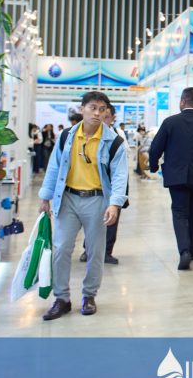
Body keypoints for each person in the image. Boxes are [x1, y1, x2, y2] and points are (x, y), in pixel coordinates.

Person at [38, 91, 128, 320]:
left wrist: (115, 204)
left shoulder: (114, 142)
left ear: (107, 113)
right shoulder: (66, 136)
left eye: (102, 109)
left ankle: (89, 296)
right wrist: (45, 197)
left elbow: (120, 176)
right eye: (92, 108)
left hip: (97, 200)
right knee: (61, 248)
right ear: (82, 109)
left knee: (95, 252)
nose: (97, 113)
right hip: (67, 198)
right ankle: (62, 298)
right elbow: (54, 167)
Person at [148, 87, 193, 270]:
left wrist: (153, 166)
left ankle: (184, 251)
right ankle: (192, 250)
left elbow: (155, 147)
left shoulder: (170, 122)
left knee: (179, 213)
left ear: (182, 101)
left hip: (176, 177)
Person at [80, 107, 128, 265]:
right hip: (93, 187)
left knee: (111, 219)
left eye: (106, 116)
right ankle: (87, 249)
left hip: (113, 185)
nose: (102, 118)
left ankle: (107, 251)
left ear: (112, 118)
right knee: (91, 220)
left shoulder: (118, 136)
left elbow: (123, 162)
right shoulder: (88, 135)